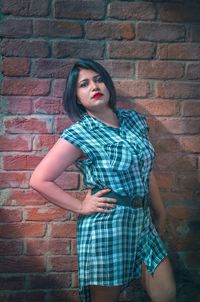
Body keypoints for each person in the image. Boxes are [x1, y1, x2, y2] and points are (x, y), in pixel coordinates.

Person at [30, 59, 176, 302]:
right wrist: (81, 206)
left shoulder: (134, 120)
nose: (94, 86)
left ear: (107, 84)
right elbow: (40, 179)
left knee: (167, 294)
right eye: (84, 84)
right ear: (76, 97)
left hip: (142, 221)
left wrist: (160, 211)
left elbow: (146, 169)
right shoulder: (80, 132)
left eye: (98, 79)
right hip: (107, 224)